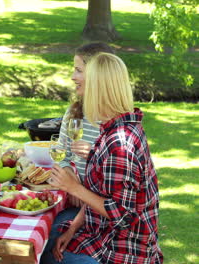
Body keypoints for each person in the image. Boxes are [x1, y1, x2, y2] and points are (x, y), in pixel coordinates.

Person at [45, 53, 163, 263]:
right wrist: (73, 229)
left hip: (123, 251)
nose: (74, 79)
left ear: (98, 87)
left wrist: (74, 188)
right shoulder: (114, 128)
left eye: (82, 74)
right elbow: (103, 193)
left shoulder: (119, 143)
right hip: (101, 233)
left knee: (43, 253)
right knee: (50, 236)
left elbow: (123, 215)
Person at [42, 42, 116, 257]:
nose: (73, 77)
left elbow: (117, 199)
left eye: (79, 70)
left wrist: (79, 189)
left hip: (99, 212)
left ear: (97, 75)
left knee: (50, 247)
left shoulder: (117, 126)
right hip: (77, 206)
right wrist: (71, 175)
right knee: (45, 240)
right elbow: (61, 153)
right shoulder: (75, 112)